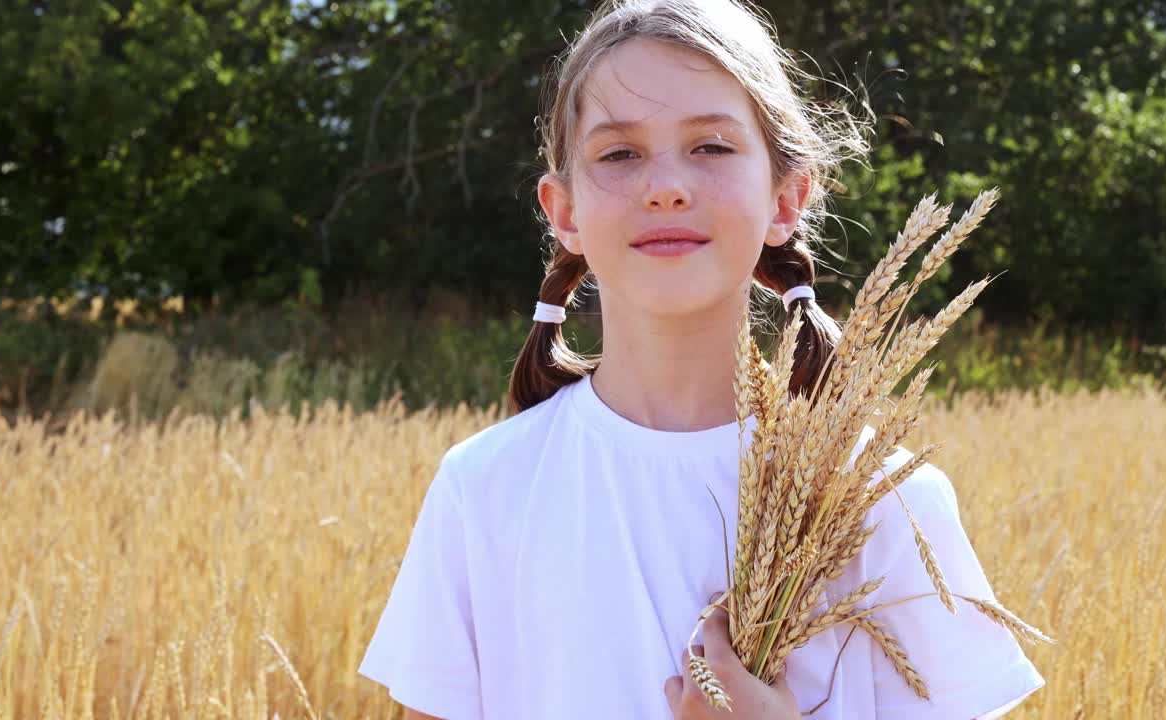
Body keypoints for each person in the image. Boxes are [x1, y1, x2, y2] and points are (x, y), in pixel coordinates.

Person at [358, 1, 1046, 718]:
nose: (667, 186)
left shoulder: (880, 500)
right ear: (564, 214)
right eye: (619, 153)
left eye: (712, 147)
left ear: (788, 197)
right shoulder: (485, 490)